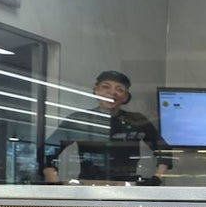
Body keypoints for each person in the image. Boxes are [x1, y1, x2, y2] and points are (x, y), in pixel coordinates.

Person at [43, 70, 171, 184]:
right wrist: (52, 178)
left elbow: (164, 150)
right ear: (96, 90)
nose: (112, 92)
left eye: (120, 89)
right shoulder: (79, 119)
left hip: (127, 188)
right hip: (88, 188)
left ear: (126, 97)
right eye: (106, 87)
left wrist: (157, 177)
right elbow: (47, 150)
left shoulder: (136, 120)